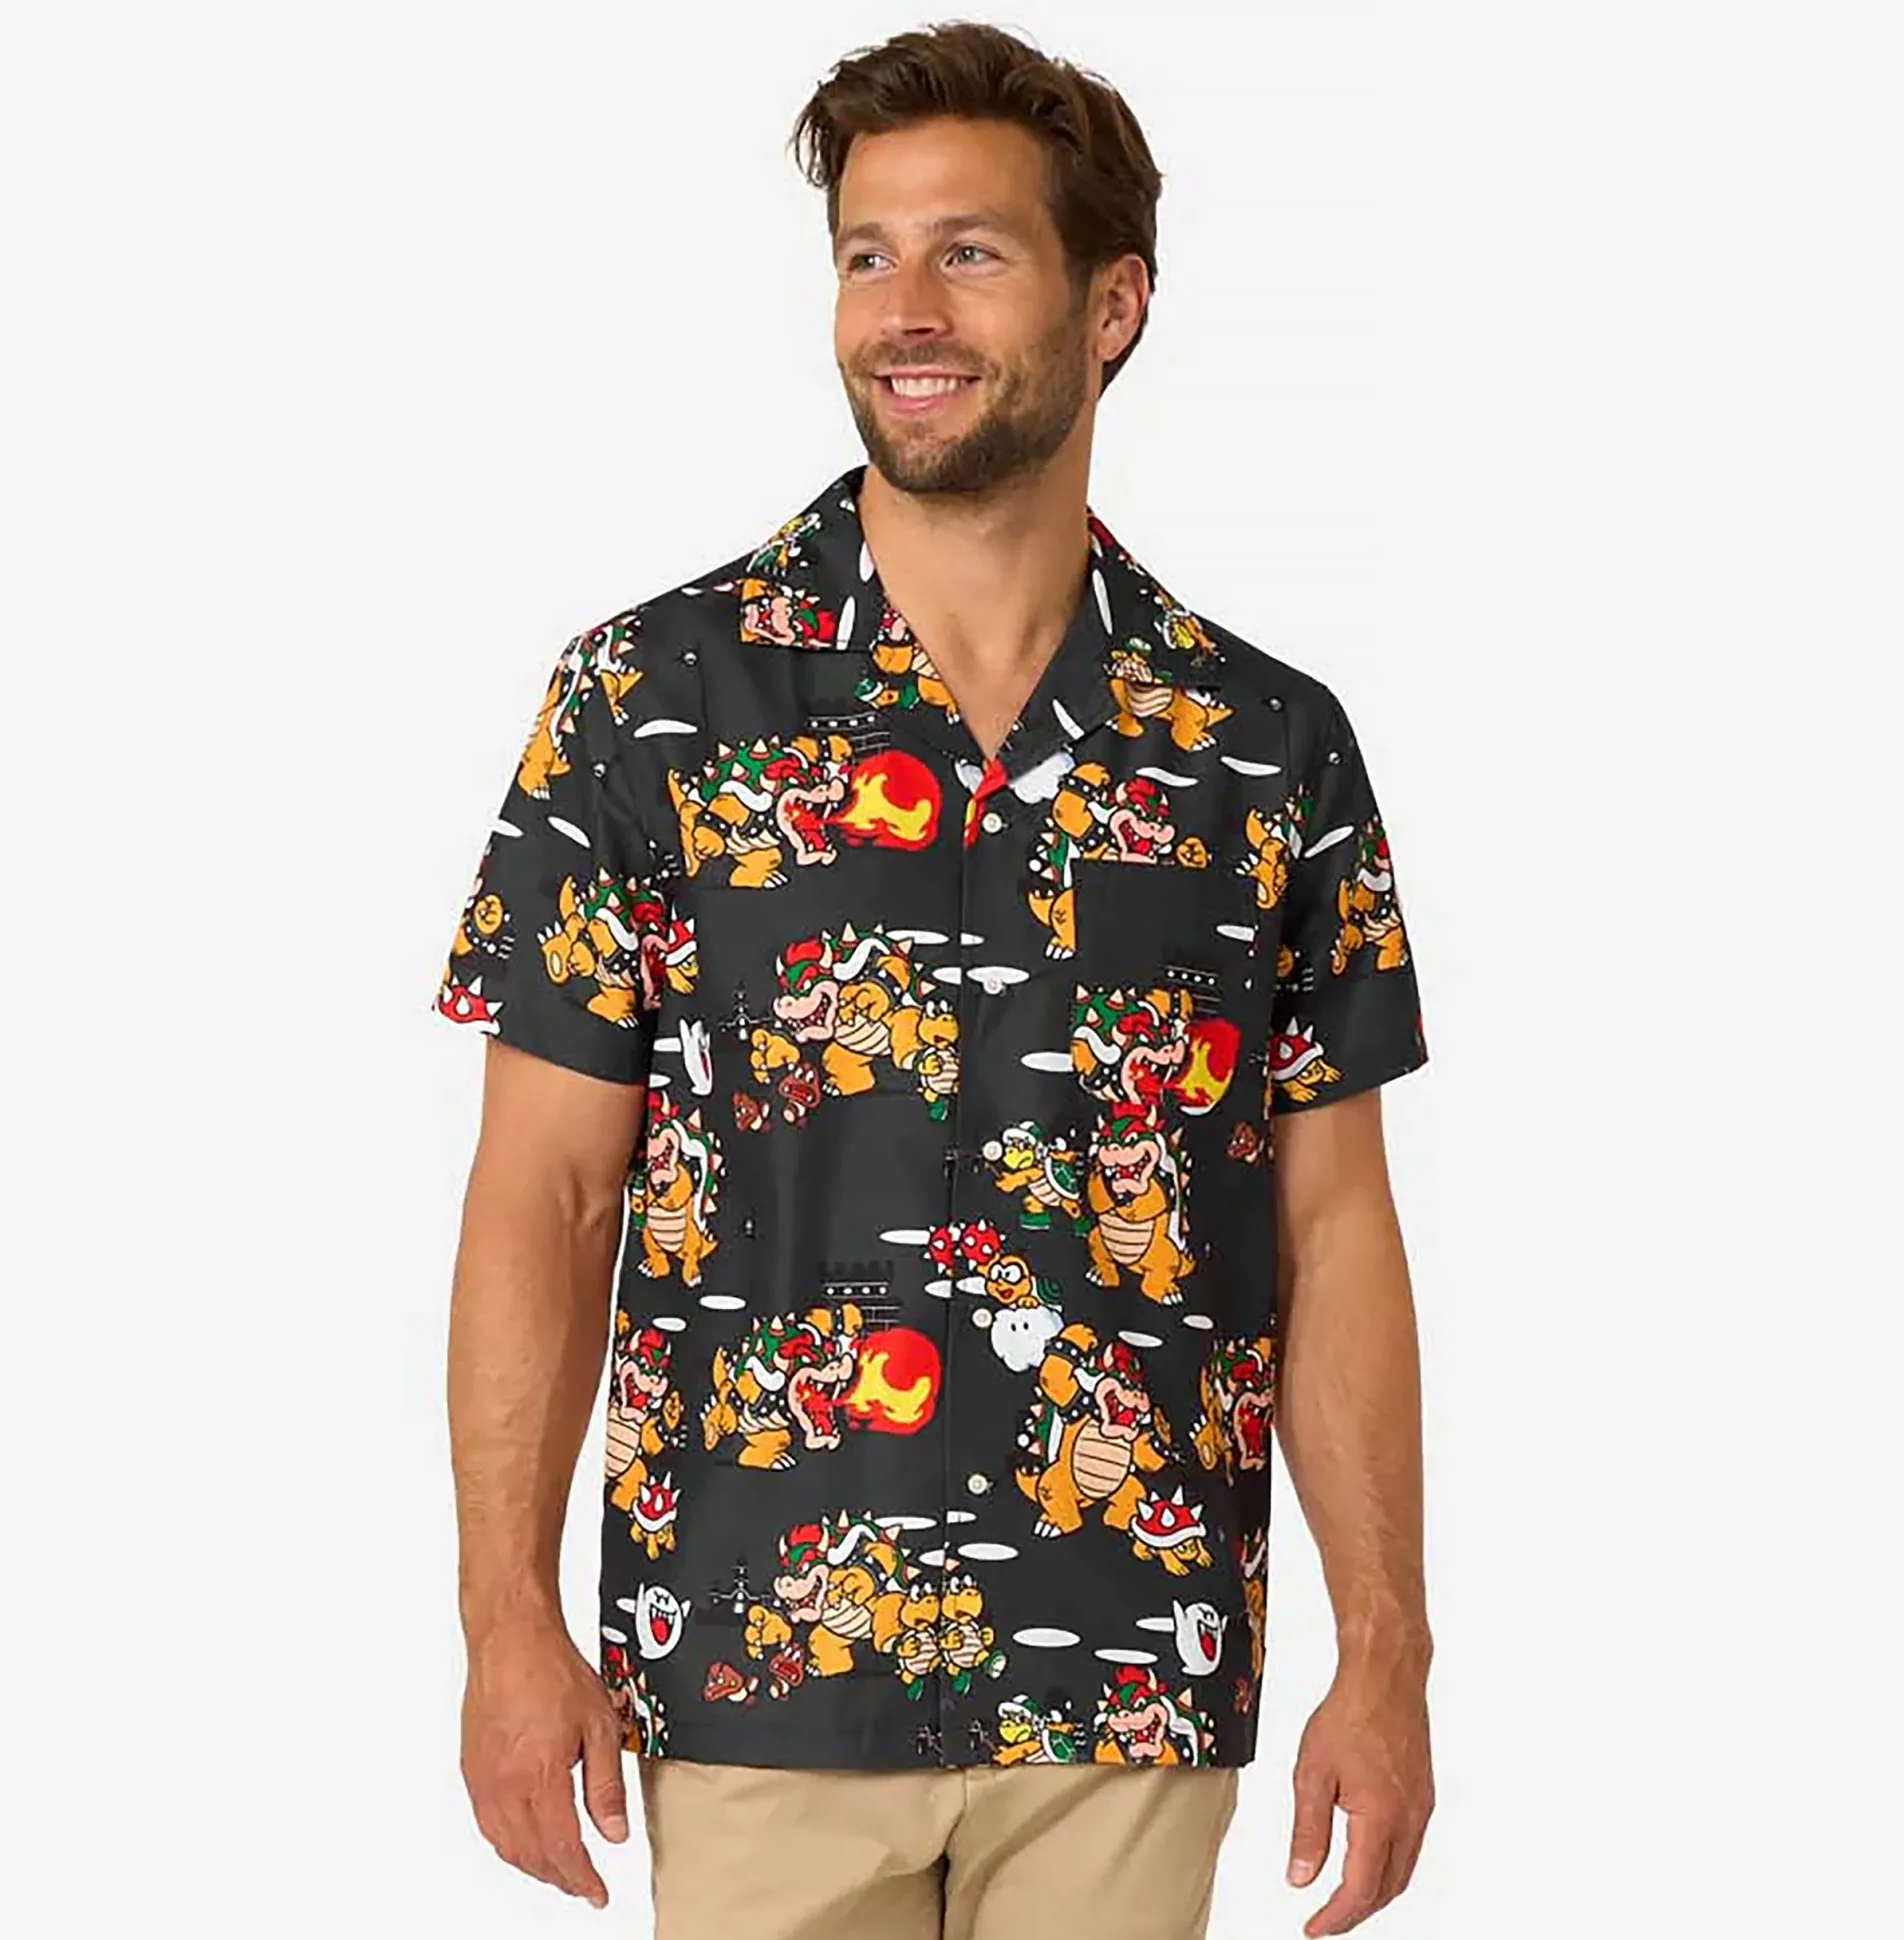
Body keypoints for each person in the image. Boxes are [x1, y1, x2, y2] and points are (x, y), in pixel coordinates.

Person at [432, 21, 1434, 1939]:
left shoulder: (1263, 749)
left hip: (1126, 1677)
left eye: (970, 253)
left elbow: (1337, 1228)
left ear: (1112, 303)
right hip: (758, 1666)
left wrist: (1388, 1654)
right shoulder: (647, 706)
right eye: (867, 255)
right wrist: (503, 1619)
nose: (905, 310)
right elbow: (543, 1196)